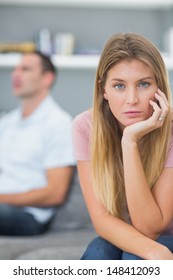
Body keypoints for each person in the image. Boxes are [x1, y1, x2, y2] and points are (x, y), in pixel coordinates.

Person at [72, 33, 173, 260]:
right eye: (119, 86)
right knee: (98, 252)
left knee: (134, 258)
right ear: (103, 90)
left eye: (144, 84)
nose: (132, 99)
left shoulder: (171, 131)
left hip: (167, 235)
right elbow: (102, 219)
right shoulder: (85, 127)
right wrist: (155, 252)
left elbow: (151, 227)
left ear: (160, 88)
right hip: (132, 236)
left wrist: (129, 143)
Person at [0, 51, 75, 236]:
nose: (15, 74)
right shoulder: (6, 122)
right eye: (16, 68)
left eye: (25, 69)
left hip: (28, 215)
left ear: (47, 78)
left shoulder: (59, 124)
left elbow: (55, 193)